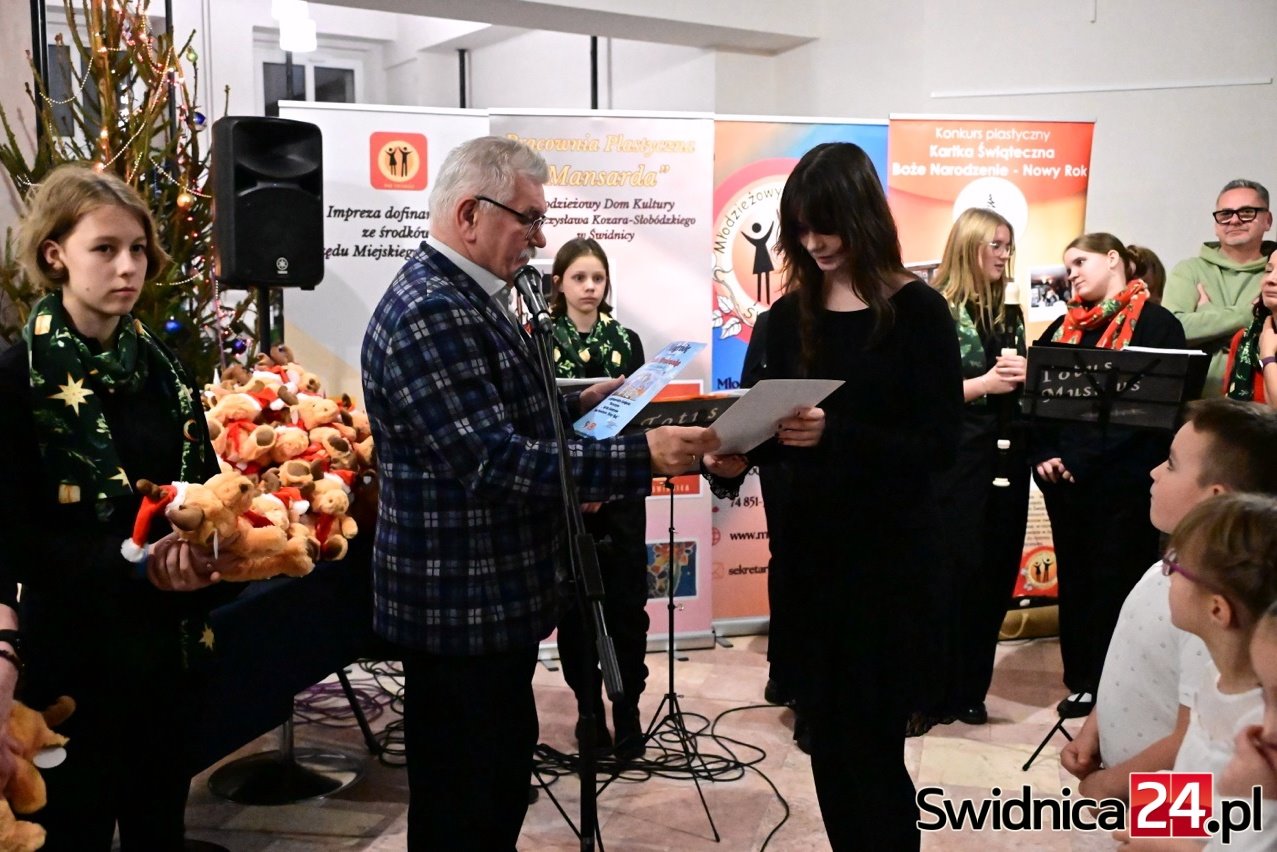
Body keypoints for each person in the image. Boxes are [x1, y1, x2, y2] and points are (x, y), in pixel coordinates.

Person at [359, 136, 723, 851]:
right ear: (470, 214)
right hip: (461, 606)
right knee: (466, 808)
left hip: (489, 604)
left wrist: (580, 402)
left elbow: (496, 417)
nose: (539, 237)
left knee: (493, 789)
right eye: (528, 218)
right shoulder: (433, 309)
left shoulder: (470, 297)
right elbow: (493, 460)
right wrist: (643, 454)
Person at [709, 141, 963, 850]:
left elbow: (939, 445)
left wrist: (837, 433)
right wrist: (729, 459)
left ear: (863, 218)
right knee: (825, 742)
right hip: (808, 565)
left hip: (888, 568)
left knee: (874, 750)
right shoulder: (786, 317)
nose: (816, 242)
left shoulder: (917, 312)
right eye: (802, 228)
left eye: (828, 226)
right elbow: (762, 428)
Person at [0, 163, 237, 849]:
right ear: (56, 255)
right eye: (104, 249)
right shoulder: (17, 380)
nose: (128, 267)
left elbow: (201, 491)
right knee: (73, 831)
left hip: (165, 652)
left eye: (137, 248)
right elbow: (14, 539)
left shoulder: (162, 372)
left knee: (158, 825)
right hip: (70, 660)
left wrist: (201, 548)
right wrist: (135, 561)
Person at [1062, 398, 1277, 800]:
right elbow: (1136, 667)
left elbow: (1193, 757)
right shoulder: (1181, 568)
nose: (1154, 471)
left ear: (1215, 498)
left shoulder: (1210, 611)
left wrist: (1109, 788)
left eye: (1172, 464)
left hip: (1151, 801)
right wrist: (1096, 725)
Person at [1031, 234, 1187, 718]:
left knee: (1119, 585)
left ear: (1114, 259)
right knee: (1076, 583)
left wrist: (1083, 459)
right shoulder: (1062, 327)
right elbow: (1037, 403)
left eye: (1081, 261)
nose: (1072, 273)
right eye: (1068, 266)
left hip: (1125, 485)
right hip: (1066, 486)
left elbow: (1153, 415)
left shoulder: (1158, 325)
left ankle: (1117, 687)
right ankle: (1081, 680)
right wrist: (1044, 454)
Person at [546, 237, 650, 759]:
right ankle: (588, 712)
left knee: (628, 605)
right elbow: (541, 422)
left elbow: (640, 417)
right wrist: (581, 480)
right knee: (575, 610)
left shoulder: (627, 340)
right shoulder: (539, 341)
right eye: (579, 277)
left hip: (622, 491)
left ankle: (628, 710)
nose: (590, 287)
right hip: (568, 492)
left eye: (598, 278)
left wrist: (607, 481)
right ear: (558, 283)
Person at [929, 207, 1029, 727]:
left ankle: (971, 689)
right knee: (951, 575)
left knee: (994, 575)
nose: (1004, 255)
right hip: (955, 463)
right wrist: (987, 384)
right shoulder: (934, 309)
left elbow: (1019, 390)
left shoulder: (1007, 312)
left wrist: (1028, 373)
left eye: (1008, 246)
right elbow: (922, 397)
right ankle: (936, 688)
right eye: (996, 244)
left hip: (1005, 458)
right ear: (969, 245)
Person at [1163, 179, 1276, 397]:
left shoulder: (1274, 273)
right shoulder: (1189, 270)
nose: (1234, 220)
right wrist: (1250, 315)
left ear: (1267, 220)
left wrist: (1206, 316)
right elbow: (1172, 332)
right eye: (1225, 214)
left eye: (1247, 212)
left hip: (1263, 402)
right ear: (1216, 225)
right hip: (1195, 399)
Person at [1223, 249, 1277, 404]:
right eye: (1268, 270)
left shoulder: (1267, 347)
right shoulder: (1245, 338)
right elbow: (1229, 408)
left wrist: (1267, 356)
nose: (1271, 279)